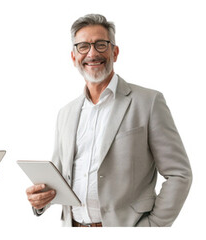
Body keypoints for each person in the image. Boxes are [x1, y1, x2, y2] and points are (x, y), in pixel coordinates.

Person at [25, 13, 192, 227]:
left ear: (115, 51)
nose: (92, 53)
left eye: (101, 45)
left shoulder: (148, 102)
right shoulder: (65, 113)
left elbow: (179, 173)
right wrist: (40, 200)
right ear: (74, 56)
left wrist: (154, 227)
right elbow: (60, 177)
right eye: (83, 46)